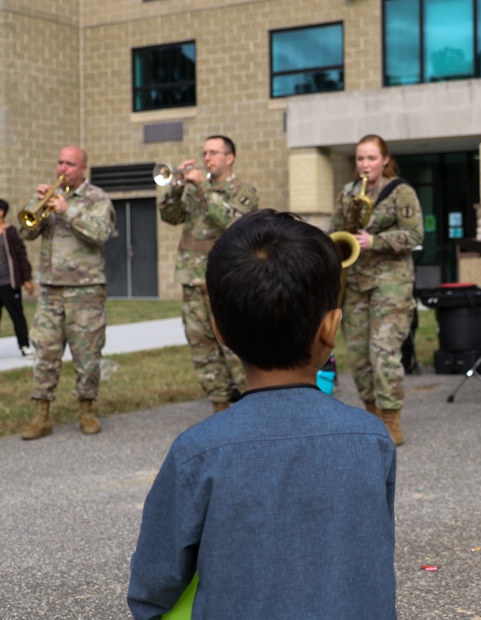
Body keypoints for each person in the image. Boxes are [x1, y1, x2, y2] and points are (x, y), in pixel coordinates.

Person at [128, 209, 396, 619]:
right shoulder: (373, 439)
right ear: (331, 328)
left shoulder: (196, 452)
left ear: (218, 329)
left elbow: (154, 584)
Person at [331, 134, 423, 446]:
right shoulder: (348, 192)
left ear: (384, 160)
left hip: (391, 282)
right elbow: (335, 232)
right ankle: (371, 417)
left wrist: (375, 241)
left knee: (383, 352)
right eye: (360, 159)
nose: (365, 165)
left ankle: (391, 421)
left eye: (371, 158)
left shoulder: (402, 192)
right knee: (358, 356)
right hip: (356, 283)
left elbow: (414, 235)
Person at [19, 146, 116, 439]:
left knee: (86, 355)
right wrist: (37, 203)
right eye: (60, 161)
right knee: (44, 354)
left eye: (70, 164)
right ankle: (41, 416)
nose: (63, 168)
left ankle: (86, 411)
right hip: (50, 290)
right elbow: (26, 232)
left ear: (83, 168)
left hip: (85, 291)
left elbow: (101, 234)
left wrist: (68, 210)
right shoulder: (49, 196)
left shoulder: (96, 198)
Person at [159, 135, 259, 413]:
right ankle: (218, 405)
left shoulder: (243, 190)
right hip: (192, 278)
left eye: (214, 153)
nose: (207, 159)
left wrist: (203, 188)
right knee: (201, 346)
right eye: (205, 153)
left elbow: (233, 223)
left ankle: (253, 405)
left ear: (230, 158)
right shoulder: (192, 191)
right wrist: (177, 188)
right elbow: (169, 217)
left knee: (233, 344)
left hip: (225, 281)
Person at [0, 199, 34, 357]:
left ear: (1, 212)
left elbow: (21, 256)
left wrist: (26, 279)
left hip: (9, 283)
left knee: (17, 316)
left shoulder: (11, 232)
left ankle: (24, 346)